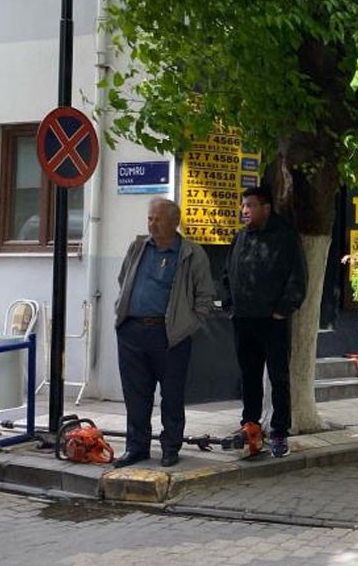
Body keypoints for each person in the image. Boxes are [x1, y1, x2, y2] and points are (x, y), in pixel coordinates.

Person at [113, 198, 216, 468]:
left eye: (158, 219)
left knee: (171, 395)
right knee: (135, 394)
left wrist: (187, 325)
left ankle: (170, 447)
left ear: (174, 222)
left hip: (170, 335)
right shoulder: (138, 247)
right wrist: (121, 313)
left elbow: (204, 297)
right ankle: (136, 447)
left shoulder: (191, 254)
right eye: (150, 218)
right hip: (132, 331)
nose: (152, 224)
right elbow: (123, 280)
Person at [223, 185, 307, 458]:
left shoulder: (284, 236)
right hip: (244, 319)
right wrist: (230, 305)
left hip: (273, 321)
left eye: (250, 206)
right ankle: (251, 427)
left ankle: (280, 432)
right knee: (249, 377)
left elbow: (297, 278)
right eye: (243, 206)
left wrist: (283, 309)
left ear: (266, 208)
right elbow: (228, 274)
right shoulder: (240, 238)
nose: (244, 211)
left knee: (278, 377)